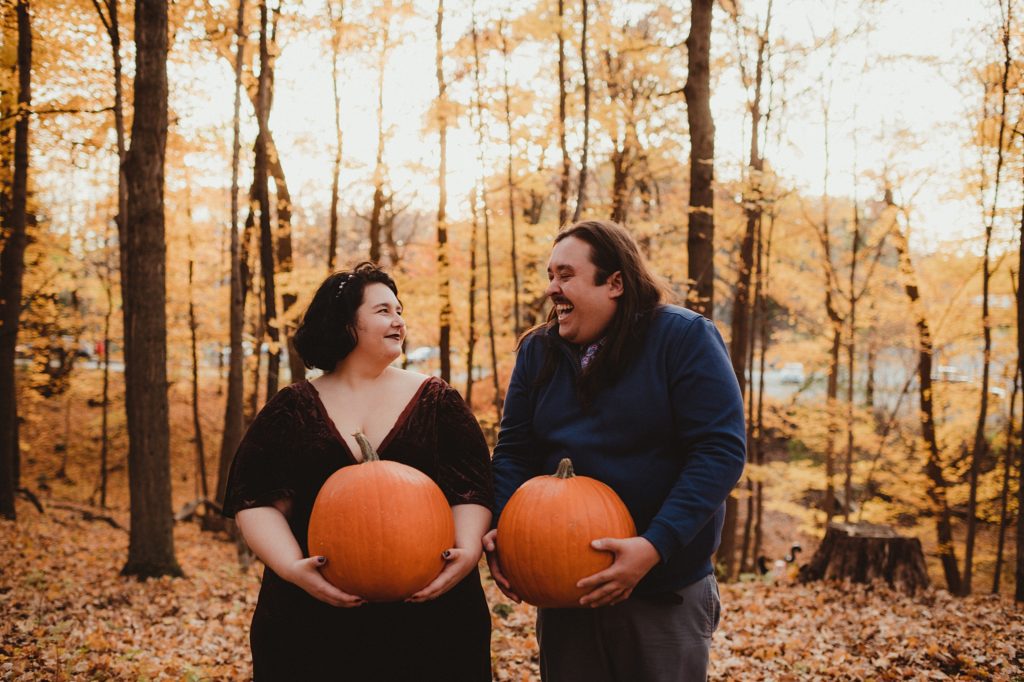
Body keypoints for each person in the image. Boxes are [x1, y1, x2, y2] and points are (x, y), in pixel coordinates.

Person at [483, 220, 746, 682]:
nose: (552, 289)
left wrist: (653, 546)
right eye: (550, 276)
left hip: (663, 588)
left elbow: (719, 451)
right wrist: (508, 529)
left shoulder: (683, 338)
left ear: (616, 282)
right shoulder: (538, 352)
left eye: (566, 275)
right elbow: (513, 452)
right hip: (564, 591)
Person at [223, 262, 494, 681]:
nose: (398, 321)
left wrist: (466, 551)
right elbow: (255, 500)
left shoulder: (437, 401)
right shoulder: (291, 408)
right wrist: (294, 569)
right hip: (313, 621)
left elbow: (472, 490)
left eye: (400, 311)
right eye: (383, 311)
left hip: (429, 620)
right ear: (345, 323)